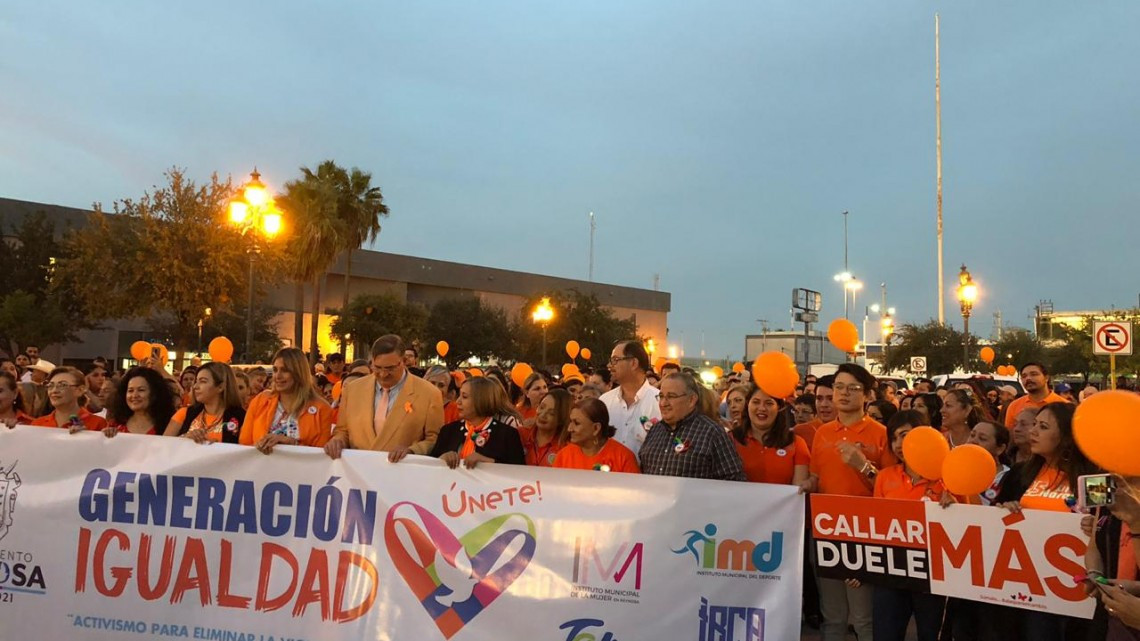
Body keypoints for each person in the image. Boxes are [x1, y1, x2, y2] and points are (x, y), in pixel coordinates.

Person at [804, 363, 895, 641]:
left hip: (863, 532)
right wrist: (804, 486)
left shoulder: (881, 434)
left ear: (867, 395)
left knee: (864, 618)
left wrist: (863, 466)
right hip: (825, 530)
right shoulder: (822, 432)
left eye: (852, 388)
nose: (843, 394)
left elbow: (891, 490)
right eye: (838, 387)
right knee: (832, 617)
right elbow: (817, 479)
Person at [994, 402, 1098, 640]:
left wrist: (1096, 526)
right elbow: (996, 518)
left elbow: (1107, 521)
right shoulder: (1019, 474)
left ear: (1067, 436)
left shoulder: (1093, 475)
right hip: (1029, 587)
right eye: (1034, 425)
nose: (1032, 432)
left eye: (1042, 426)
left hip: (1078, 591)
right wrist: (1004, 510)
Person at [871, 409, 951, 641]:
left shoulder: (948, 478)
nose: (898, 443)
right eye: (894, 437)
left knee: (931, 633)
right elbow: (876, 523)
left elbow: (969, 523)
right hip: (891, 571)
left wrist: (955, 507)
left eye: (905, 435)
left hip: (934, 574)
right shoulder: (885, 477)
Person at [324, 334, 444, 460]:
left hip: (401, 472)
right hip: (357, 472)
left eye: (390, 368)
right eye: (377, 367)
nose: (383, 374)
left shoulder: (429, 394)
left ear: (404, 361)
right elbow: (342, 431)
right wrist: (337, 441)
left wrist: (412, 451)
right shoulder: (353, 390)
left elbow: (434, 439)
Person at [391, 376, 524, 468]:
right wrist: (442, 459)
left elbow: (518, 475)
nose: (458, 401)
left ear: (482, 400)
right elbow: (431, 468)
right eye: (459, 395)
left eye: (465, 397)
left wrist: (490, 463)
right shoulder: (448, 431)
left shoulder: (507, 435)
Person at [639, 373, 745, 480]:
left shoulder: (712, 433)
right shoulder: (655, 431)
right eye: (661, 396)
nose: (663, 403)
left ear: (691, 400)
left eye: (671, 396)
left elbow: (734, 480)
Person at [240, 347, 335, 453]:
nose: (277, 376)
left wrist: (292, 443)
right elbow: (245, 444)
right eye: (275, 370)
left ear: (299, 373)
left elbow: (320, 456)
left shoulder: (322, 409)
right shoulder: (260, 400)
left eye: (284, 370)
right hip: (262, 467)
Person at [731, 384, 810, 485]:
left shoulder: (796, 443)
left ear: (779, 407)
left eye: (769, 403)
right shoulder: (730, 440)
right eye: (756, 402)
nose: (762, 408)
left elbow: (798, 488)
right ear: (747, 404)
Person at [600, 340, 661, 457]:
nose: (609, 366)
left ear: (633, 363)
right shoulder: (605, 401)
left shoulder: (659, 403)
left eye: (615, 360)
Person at [163, 362, 245, 443]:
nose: (195, 386)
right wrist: (185, 437)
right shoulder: (185, 413)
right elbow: (163, 446)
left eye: (203, 381)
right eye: (196, 381)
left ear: (220, 387)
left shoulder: (241, 417)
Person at [553, 398, 640, 473]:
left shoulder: (623, 458)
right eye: (570, 422)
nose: (569, 429)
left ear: (596, 428)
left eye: (576, 423)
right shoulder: (563, 456)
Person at [103, 366, 178, 436]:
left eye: (141, 390)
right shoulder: (115, 425)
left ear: (154, 393)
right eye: (130, 390)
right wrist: (106, 435)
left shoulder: (169, 425)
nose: (134, 395)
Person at [29, 366, 108, 431]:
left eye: (62, 385)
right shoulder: (38, 424)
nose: (54, 390)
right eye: (51, 386)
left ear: (80, 390)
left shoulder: (98, 424)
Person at [1004, 362, 1069, 429]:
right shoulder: (1014, 406)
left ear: (1046, 378)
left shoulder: (1064, 406)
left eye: (1034, 374)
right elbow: (1010, 435)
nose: (1028, 378)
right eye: (1024, 376)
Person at [518, 388, 570, 467]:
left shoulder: (566, 446)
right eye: (542, 407)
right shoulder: (520, 435)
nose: (543, 415)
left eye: (551, 413)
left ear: (562, 418)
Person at [966, 420, 1011, 505]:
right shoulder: (956, 471)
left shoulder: (1011, 478)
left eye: (982, 439)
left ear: (1000, 449)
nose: (973, 441)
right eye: (972, 435)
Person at [796, 375, 836, 450]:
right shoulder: (800, 432)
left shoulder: (854, 433)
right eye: (819, 398)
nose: (824, 404)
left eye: (831, 399)